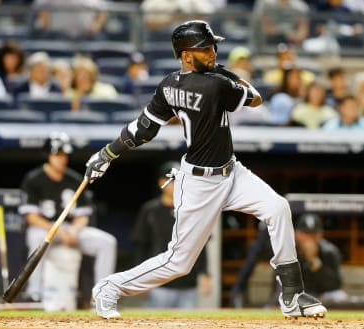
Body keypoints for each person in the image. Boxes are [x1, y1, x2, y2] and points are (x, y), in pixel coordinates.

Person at [84, 19, 327, 319]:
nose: (213, 52)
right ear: (186, 55)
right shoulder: (216, 84)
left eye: (212, 47)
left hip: (232, 172)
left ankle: (291, 295)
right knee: (179, 263)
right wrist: (225, 70)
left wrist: (106, 153)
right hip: (198, 184)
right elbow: (256, 98)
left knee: (277, 208)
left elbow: (143, 129)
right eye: (205, 48)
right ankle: (110, 287)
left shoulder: (169, 85)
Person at [18, 131, 117, 304]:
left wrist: (73, 230)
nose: (62, 158)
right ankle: (35, 293)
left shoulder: (75, 179)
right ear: (48, 155)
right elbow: (31, 217)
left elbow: (83, 216)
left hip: (71, 229)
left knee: (107, 242)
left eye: (65, 155)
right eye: (58, 154)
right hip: (45, 229)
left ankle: (102, 295)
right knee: (35, 237)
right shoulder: (33, 180)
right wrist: (58, 231)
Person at [131, 161, 211, 308]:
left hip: (188, 284)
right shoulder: (150, 210)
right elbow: (141, 246)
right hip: (158, 284)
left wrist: (205, 273)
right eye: (174, 179)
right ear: (162, 182)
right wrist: (140, 279)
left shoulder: (193, 210)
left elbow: (200, 245)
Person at [230, 213, 347, 308]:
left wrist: (314, 262)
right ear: (296, 234)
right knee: (276, 303)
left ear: (321, 234)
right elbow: (282, 283)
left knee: (340, 296)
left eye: (314, 234)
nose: (309, 238)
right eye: (305, 233)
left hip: (321, 299)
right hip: (291, 298)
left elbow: (335, 285)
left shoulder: (329, 252)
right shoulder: (287, 250)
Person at [32, 0, 108, 40]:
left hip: (86, 35)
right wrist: (45, 22)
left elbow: (103, 8)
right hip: (57, 35)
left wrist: (97, 24)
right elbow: (39, 5)